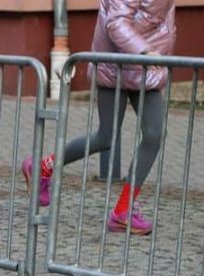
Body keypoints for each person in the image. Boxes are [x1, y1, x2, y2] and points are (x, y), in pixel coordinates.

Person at [21, 0, 176, 235]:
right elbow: (116, 22)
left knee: (155, 133)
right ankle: (42, 167)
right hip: (115, 66)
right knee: (105, 137)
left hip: (145, 69)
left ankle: (123, 211)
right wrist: (145, 51)